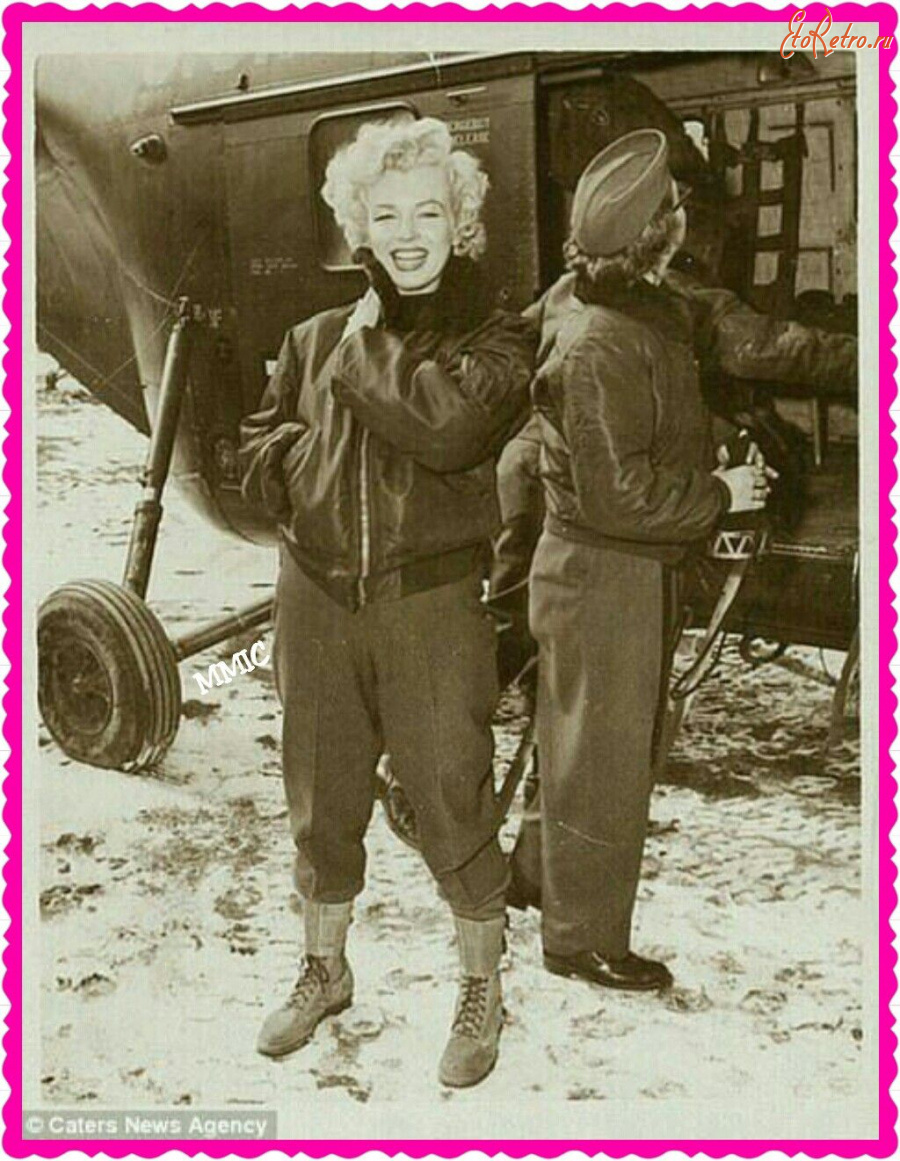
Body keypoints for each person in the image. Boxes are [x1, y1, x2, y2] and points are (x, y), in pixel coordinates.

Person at [239, 116, 536, 1087]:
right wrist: (291, 469)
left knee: (451, 794)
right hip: (315, 600)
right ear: (358, 223)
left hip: (430, 605)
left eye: (429, 213)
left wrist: (366, 348)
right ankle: (324, 969)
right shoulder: (312, 336)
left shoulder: (493, 338)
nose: (408, 234)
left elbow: (446, 429)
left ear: (461, 223)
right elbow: (257, 445)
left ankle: (482, 987)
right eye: (387, 214)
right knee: (321, 797)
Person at [524, 129, 857, 992]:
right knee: (606, 757)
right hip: (607, 571)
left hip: (617, 569)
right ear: (656, 234)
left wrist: (715, 445)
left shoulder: (629, 304)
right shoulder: (602, 338)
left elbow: (649, 423)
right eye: (675, 207)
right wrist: (721, 492)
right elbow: (618, 497)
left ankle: (540, 876)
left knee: (582, 741)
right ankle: (582, 939)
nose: (683, 216)